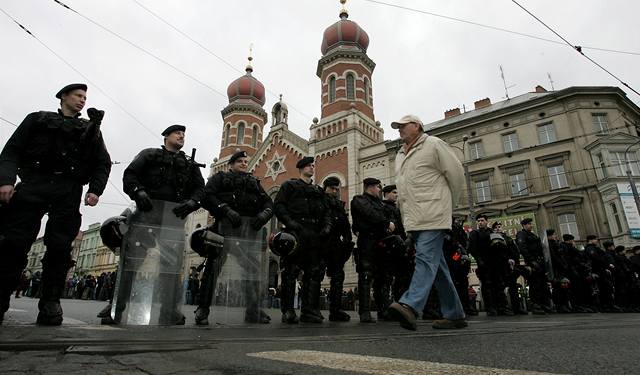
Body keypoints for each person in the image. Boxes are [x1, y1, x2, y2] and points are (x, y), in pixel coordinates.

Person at [0, 83, 111, 325]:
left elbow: (103, 162)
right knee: (14, 242)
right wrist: (6, 181)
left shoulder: (90, 129)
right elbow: (11, 151)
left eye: (85, 97)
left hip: (68, 189)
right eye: (78, 95)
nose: (82, 100)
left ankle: (50, 302)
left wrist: (95, 190)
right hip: (34, 184)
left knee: (60, 247)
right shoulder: (38, 120)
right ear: (63, 97)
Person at [105, 124, 204, 325]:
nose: (182, 136)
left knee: (172, 266)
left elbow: (200, 189)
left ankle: (169, 310)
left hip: (173, 218)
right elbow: (130, 174)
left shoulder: (189, 164)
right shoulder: (149, 155)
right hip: (146, 214)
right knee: (131, 262)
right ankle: (116, 306)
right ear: (166, 136)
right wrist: (138, 191)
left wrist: (193, 203)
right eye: (178, 133)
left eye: (184, 134)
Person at [386, 114, 467, 331]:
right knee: (437, 267)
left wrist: (448, 206)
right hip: (415, 218)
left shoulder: (433, 144)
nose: (400, 130)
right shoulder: (400, 154)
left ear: (417, 126)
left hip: (433, 213)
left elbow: (457, 173)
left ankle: (410, 306)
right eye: (398, 126)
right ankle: (455, 314)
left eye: (404, 125)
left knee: (424, 258)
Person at [195, 150, 273, 325]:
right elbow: (207, 196)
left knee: (251, 269)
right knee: (213, 269)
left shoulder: (253, 182)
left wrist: (264, 215)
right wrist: (224, 209)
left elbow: (268, 202)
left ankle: (253, 310)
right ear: (231, 164)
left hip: (247, 235)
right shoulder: (220, 178)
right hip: (223, 231)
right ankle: (203, 309)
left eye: (246, 161)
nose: (244, 164)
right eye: (240, 161)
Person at [274, 156, 331, 324]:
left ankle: (309, 310)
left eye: (313, 165)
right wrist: (291, 223)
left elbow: (326, 212)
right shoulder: (289, 186)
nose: (312, 168)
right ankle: (288, 310)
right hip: (296, 233)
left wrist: (326, 227)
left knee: (314, 273)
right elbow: (279, 206)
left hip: (315, 235)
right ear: (301, 168)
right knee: (291, 272)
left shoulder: (318, 191)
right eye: (308, 166)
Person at [351, 178, 396, 323]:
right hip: (367, 241)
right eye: (378, 187)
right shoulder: (359, 200)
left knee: (383, 277)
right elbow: (370, 214)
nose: (379, 190)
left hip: (381, 242)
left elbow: (390, 219)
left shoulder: (381, 204)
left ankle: (383, 309)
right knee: (366, 275)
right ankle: (365, 312)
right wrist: (386, 222)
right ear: (370, 187)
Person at [322, 176, 353, 322]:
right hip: (321, 244)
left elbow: (346, 225)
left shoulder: (339, 206)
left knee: (338, 277)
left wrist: (347, 239)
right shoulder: (320, 202)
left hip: (336, 246)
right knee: (316, 276)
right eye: (332, 188)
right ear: (326, 188)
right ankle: (311, 310)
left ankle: (336, 310)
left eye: (336, 189)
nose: (334, 191)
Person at [469, 215, 511, 316]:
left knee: (499, 285)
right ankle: (490, 307)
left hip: (496, 263)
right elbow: (473, 249)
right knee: (487, 286)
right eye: (478, 221)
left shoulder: (492, 233)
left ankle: (502, 307)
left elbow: (502, 247)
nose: (480, 222)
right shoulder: (475, 233)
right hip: (484, 263)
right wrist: (479, 260)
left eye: (482, 220)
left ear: (487, 221)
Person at [516, 218, 552, 314]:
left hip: (539, 262)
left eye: (531, 224)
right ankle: (535, 305)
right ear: (523, 225)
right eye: (528, 224)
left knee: (542, 284)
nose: (531, 225)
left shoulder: (533, 235)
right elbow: (522, 248)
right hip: (532, 262)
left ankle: (544, 304)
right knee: (535, 284)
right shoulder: (521, 234)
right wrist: (531, 261)